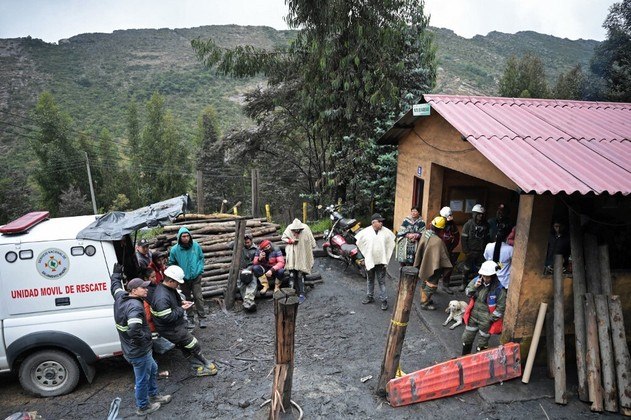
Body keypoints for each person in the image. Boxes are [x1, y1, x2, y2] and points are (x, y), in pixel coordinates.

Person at [110, 264, 171, 416]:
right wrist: (146, 337)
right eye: (143, 288)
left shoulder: (121, 296)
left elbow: (115, 287)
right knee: (142, 378)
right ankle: (143, 407)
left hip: (132, 348)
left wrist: (116, 275)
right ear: (134, 290)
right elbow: (133, 330)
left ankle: (154, 395)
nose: (146, 289)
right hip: (138, 350)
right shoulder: (135, 308)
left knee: (153, 369)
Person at [149, 265, 218, 377]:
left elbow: (173, 302)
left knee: (184, 345)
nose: (179, 284)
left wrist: (181, 303)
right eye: (177, 282)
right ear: (170, 281)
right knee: (193, 344)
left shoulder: (169, 288)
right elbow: (166, 317)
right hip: (170, 329)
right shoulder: (161, 297)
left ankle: (199, 364)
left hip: (174, 325)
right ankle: (202, 365)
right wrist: (182, 309)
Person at [461, 260, 506, 355]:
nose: (485, 278)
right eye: (483, 276)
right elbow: (468, 293)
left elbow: (501, 308)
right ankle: (464, 358)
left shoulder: (498, 289)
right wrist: (475, 287)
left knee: (482, 343)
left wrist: (490, 319)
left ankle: (478, 361)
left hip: (486, 320)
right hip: (473, 316)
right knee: (467, 338)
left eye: (487, 276)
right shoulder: (476, 281)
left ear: (493, 276)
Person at [355, 213, 396, 311]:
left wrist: (385, 259)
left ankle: (384, 300)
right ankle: (370, 296)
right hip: (369, 260)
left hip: (381, 261)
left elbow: (389, 246)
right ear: (374, 223)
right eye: (380, 221)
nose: (382, 223)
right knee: (370, 280)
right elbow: (359, 246)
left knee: (381, 282)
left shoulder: (386, 232)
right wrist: (361, 259)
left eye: (382, 221)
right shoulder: (365, 233)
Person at [169, 227, 207, 329]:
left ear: (190, 236)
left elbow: (201, 258)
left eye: (187, 236)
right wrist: (178, 275)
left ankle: (202, 318)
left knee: (198, 297)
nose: (186, 238)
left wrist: (200, 271)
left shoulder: (196, 246)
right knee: (186, 298)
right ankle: (190, 318)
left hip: (195, 277)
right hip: (183, 279)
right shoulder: (175, 250)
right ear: (179, 238)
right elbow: (172, 263)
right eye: (183, 236)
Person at [413, 216, 453, 310]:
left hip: (424, 263)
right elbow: (444, 258)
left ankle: (425, 299)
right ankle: (424, 303)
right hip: (434, 267)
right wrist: (447, 268)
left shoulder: (425, 233)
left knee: (424, 281)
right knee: (432, 284)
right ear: (441, 229)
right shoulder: (438, 242)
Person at [282, 219, 317, 304]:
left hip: (302, 254)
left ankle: (302, 294)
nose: (296, 232)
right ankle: (290, 293)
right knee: (292, 274)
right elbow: (283, 238)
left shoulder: (306, 228)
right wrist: (290, 241)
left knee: (300, 274)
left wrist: (311, 246)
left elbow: (311, 241)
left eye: (297, 231)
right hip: (292, 254)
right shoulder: (289, 228)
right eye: (294, 231)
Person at [460, 204, 490, 292]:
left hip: (481, 252)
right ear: (474, 214)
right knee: (466, 268)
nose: (480, 216)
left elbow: (488, 238)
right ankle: (464, 283)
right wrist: (466, 251)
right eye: (478, 214)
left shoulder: (486, 225)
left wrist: (486, 251)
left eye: (482, 214)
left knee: (480, 269)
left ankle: (476, 285)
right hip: (470, 251)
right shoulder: (468, 225)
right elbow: (463, 239)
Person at [437, 206, 460, 294]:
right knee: (435, 268)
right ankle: (430, 286)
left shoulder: (452, 225)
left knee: (448, 268)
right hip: (437, 250)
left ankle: (445, 285)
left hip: (448, 250)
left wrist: (451, 247)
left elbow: (457, 237)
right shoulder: (436, 223)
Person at [237, 233, 259, 312]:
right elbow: (230, 245)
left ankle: (249, 300)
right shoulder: (240, 247)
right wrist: (239, 238)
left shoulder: (256, 249)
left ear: (251, 241)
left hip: (251, 269)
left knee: (253, 282)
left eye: (248, 242)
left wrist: (249, 269)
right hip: (241, 270)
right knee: (241, 283)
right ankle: (247, 302)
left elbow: (256, 261)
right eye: (245, 242)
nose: (246, 244)